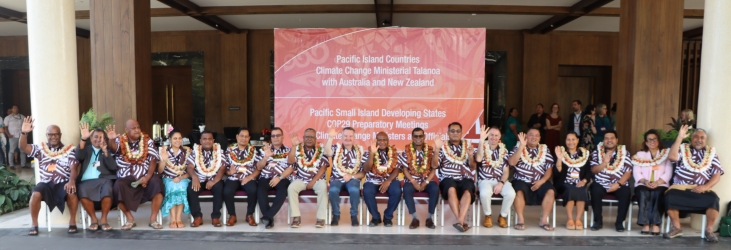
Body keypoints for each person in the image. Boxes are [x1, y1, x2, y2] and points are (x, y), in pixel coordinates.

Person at [20, 117, 79, 235]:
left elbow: (74, 168)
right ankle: (34, 224)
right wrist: (24, 133)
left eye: (56, 134)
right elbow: (23, 147)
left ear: (60, 135)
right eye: (50, 134)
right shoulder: (40, 149)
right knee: (36, 193)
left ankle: (72, 222)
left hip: (63, 182)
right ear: (46, 135)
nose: (53, 137)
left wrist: (71, 181)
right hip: (46, 183)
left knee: (71, 192)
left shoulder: (69, 150)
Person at [664, 126, 723, 242]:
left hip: (702, 189)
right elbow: (671, 157)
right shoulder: (682, 149)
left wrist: (705, 187)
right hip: (680, 187)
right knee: (669, 196)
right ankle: (677, 228)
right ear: (691, 138)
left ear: (705, 140)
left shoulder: (712, 154)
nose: (699, 139)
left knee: (714, 200)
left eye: (702, 137)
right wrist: (680, 137)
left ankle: (709, 230)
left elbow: (717, 175)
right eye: (696, 136)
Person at [107, 120, 163, 230]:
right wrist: (111, 139)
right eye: (133, 128)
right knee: (117, 187)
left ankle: (153, 219)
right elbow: (113, 149)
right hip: (126, 177)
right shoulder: (120, 140)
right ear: (126, 130)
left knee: (157, 183)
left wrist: (147, 177)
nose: (137, 129)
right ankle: (130, 218)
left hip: (146, 175)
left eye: (138, 127)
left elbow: (153, 160)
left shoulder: (148, 140)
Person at [508, 128, 555, 231]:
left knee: (550, 191)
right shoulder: (517, 147)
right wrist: (521, 146)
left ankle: (544, 220)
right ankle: (520, 220)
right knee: (518, 190)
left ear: (540, 138)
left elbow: (549, 169)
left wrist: (541, 181)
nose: (534, 137)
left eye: (536, 135)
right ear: (526, 136)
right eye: (531, 135)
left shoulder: (545, 149)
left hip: (540, 181)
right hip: (521, 180)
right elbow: (511, 163)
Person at [434, 122, 476, 232]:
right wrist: (437, 149)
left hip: (465, 178)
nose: (455, 133)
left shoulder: (468, 145)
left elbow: (473, 166)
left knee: (468, 189)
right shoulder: (442, 146)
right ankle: (461, 221)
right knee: (451, 188)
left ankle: (459, 221)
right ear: (448, 133)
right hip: (448, 178)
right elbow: (434, 165)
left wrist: (471, 155)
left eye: (458, 131)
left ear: (462, 133)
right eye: (452, 131)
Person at [589, 130, 632, 232]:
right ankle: (598, 221)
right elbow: (594, 170)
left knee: (626, 192)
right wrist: (604, 163)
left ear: (617, 140)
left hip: (619, 183)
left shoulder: (625, 153)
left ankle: (619, 222)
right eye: (606, 138)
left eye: (612, 138)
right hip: (600, 183)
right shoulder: (596, 153)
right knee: (594, 190)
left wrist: (618, 184)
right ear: (603, 140)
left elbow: (628, 172)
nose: (609, 140)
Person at [76, 123, 117, 231]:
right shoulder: (86, 148)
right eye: (96, 137)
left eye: (101, 137)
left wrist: (105, 152)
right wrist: (83, 139)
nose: (98, 139)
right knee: (82, 190)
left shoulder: (106, 150)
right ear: (91, 138)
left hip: (103, 179)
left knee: (108, 187)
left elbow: (113, 167)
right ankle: (94, 219)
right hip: (86, 181)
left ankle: (104, 219)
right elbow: (78, 156)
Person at [325, 127, 368, 226]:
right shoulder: (337, 148)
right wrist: (330, 138)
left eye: (350, 136)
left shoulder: (360, 150)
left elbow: (363, 172)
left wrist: (352, 176)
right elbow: (328, 152)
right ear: (341, 137)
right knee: (333, 190)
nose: (348, 138)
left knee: (354, 190)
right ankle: (336, 215)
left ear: (354, 137)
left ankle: (354, 215)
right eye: (345, 136)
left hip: (353, 179)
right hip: (337, 178)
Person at [631, 129, 672, 236]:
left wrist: (657, 182)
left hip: (661, 184)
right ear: (645, 142)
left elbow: (668, 172)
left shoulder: (666, 154)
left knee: (657, 193)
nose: (652, 141)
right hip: (643, 183)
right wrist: (645, 181)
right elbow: (636, 172)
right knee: (644, 192)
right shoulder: (640, 154)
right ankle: (645, 223)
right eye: (649, 139)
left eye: (654, 139)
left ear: (658, 140)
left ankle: (655, 224)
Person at [287, 128, 330, 228]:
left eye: (312, 137)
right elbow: (290, 161)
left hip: (317, 179)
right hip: (301, 179)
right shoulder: (297, 148)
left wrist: (313, 181)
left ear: (315, 139)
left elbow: (323, 168)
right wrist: (294, 146)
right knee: (291, 188)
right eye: (307, 137)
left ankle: (320, 218)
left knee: (323, 187)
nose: (309, 139)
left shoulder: (321, 149)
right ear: (303, 138)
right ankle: (296, 217)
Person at [475, 125, 515, 228]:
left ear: (500, 136)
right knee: (484, 193)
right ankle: (488, 215)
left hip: (500, 180)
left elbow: (506, 171)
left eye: (496, 135)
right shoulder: (482, 147)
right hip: (485, 180)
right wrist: (481, 140)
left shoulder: (504, 151)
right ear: (487, 136)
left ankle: (502, 216)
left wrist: (501, 183)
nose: (494, 137)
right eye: (491, 135)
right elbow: (478, 159)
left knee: (511, 193)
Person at [400, 127, 439, 229]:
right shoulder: (406, 150)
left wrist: (426, 182)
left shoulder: (430, 151)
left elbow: (434, 169)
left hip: (427, 180)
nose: (418, 138)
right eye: (416, 136)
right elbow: (405, 170)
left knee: (435, 188)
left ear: (424, 137)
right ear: (412, 138)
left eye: (420, 136)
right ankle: (414, 218)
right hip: (412, 180)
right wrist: (413, 181)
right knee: (407, 189)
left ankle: (429, 218)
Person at [186, 131, 227, 227]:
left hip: (214, 179)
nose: (207, 141)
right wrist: (194, 177)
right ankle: (197, 217)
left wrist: (214, 181)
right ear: (200, 141)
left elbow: (223, 167)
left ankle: (215, 217)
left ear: (213, 140)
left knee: (219, 188)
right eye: (204, 139)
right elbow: (190, 167)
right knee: (191, 189)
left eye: (209, 139)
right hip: (199, 179)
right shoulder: (195, 151)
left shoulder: (220, 151)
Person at [223, 127, 262, 227]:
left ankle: (249, 215)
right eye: (241, 136)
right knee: (227, 191)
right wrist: (229, 172)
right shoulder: (229, 150)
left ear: (249, 138)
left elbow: (258, 168)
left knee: (253, 190)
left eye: (246, 136)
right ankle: (232, 215)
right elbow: (224, 169)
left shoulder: (254, 151)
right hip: (233, 178)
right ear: (237, 137)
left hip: (248, 177)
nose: (243, 138)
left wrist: (250, 177)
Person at [255, 127, 293, 229]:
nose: (275, 138)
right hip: (266, 177)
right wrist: (266, 157)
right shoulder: (264, 150)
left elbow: (291, 168)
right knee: (260, 189)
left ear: (282, 137)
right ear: (271, 138)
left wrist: (279, 178)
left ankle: (267, 216)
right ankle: (269, 218)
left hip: (282, 178)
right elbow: (258, 167)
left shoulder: (289, 151)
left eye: (278, 135)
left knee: (283, 190)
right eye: (273, 136)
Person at [363, 132, 401, 227]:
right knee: (367, 190)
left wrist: (388, 181)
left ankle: (388, 217)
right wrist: (372, 154)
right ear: (376, 141)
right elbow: (366, 169)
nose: (382, 142)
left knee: (397, 190)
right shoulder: (368, 152)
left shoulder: (394, 152)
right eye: (379, 140)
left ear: (388, 141)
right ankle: (376, 217)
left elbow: (397, 169)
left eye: (384, 139)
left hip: (390, 180)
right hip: (373, 180)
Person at [553, 132, 590, 230]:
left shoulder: (584, 154)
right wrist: (559, 159)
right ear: (565, 141)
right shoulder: (561, 152)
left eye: (573, 139)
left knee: (582, 189)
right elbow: (557, 173)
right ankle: (569, 219)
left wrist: (584, 181)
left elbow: (588, 172)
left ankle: (578, 219)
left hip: (579, 183)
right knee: (570, 189)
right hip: (564, 183)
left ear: (577, 140)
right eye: (568, 139)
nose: (571, 142)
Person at [158, 130, 191, 229]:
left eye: (180, 138)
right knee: (172, 188)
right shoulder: (164, 151)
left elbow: (191, 171)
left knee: (181, 188)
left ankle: (178, 218)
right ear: (170, 140)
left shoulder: (188, 151)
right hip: (168, 179)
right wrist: (163, 160)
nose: (178, 140)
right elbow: (159, 171)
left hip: (183, 178)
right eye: (175, 138)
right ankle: (172, 219)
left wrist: (180, 177)